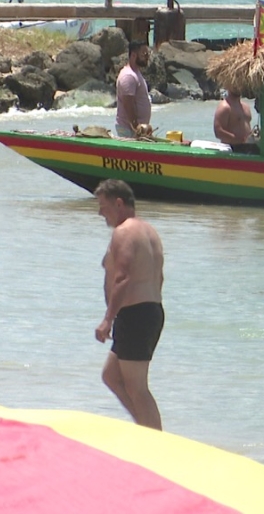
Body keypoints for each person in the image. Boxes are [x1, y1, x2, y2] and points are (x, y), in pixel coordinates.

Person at [93, 179, 165, 430]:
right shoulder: (149, 232)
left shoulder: (123, 232)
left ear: (119, 203)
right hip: (147, 311)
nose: (100, 212)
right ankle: (146, 430)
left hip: (136, 314)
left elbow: (123, 277)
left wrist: (107, 319)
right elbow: (160, 278)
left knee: (137, 386)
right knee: (111, 376)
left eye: (104, 206)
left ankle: (157, 442)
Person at [115, 41, 152, 138]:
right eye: (144, 53)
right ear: (134, 55)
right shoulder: (128, 76)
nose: (147, 56)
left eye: (148, 53)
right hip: (129, 130)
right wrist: (137, 128)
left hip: (136, 130)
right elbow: (128, 105)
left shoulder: (136, 73)